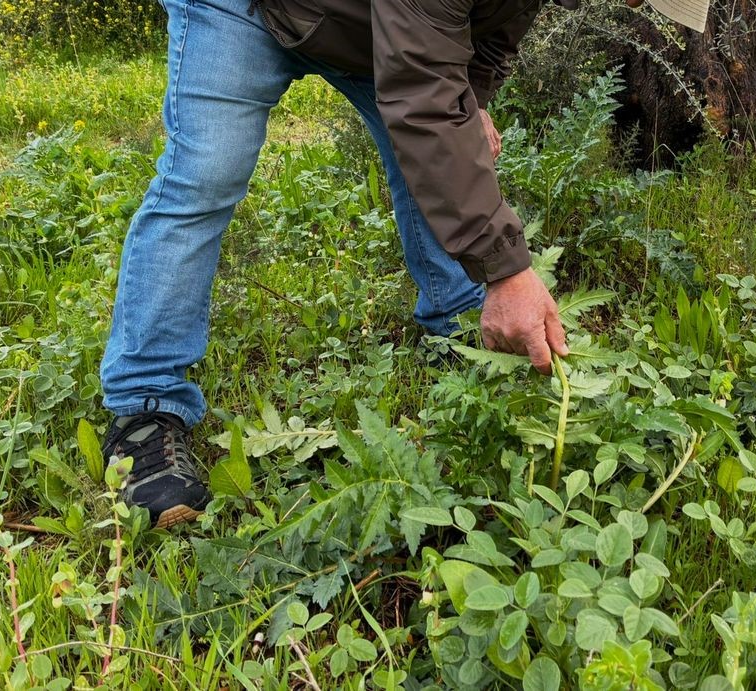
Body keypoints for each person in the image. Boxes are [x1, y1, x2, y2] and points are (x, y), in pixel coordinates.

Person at [98, 0, 708, 529]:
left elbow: (481, 42)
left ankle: (456, 321)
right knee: (207, 172)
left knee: (445, 143)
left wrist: (470, 106)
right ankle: (146, 407)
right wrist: (506, 269)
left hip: (370, 25)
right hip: (245, 9)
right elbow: (422, 93)